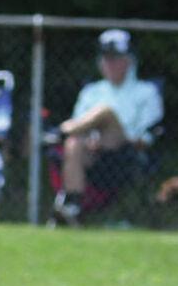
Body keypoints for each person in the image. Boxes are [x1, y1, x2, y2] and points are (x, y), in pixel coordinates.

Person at [50, 29, 164, 225]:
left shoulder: (146, 92)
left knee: (105, 112)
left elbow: (149, 134)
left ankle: (58, 132)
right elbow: (80, 125)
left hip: (126, 152)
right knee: (73, 143)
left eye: (116, 59)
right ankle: (73, 205)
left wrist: (130, 139)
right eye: (106, 59)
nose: (110, 64)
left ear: (129, 61)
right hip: (92, 152)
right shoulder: (91, 91)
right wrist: (90, 139)